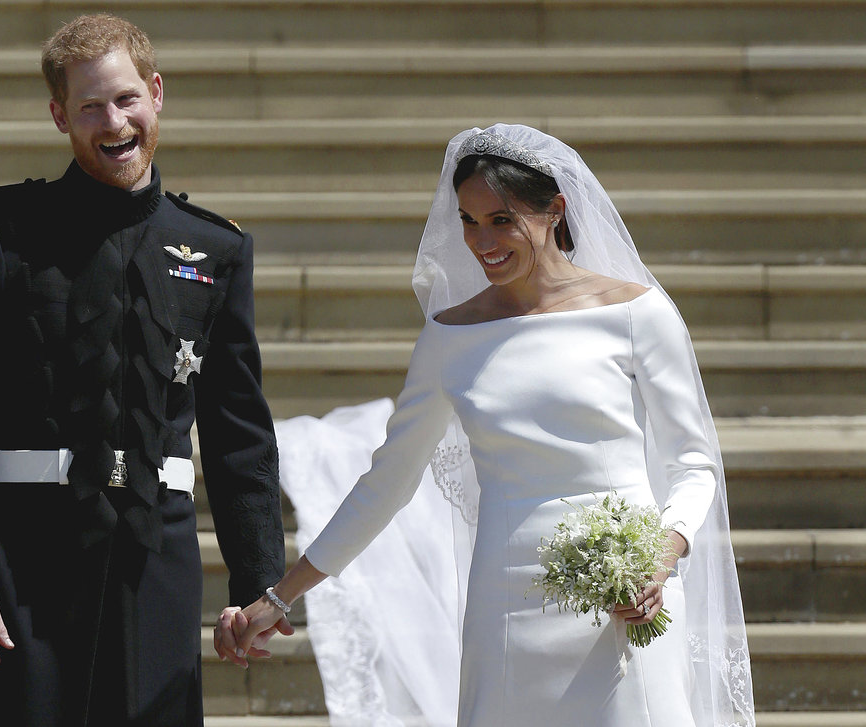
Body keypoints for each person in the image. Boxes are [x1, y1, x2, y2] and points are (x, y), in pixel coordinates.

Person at [218, 125, 754, 726]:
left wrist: (662, 553)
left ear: (555, 212)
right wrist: (280, 596)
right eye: (469, 221)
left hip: (627, 597)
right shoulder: (450, 336)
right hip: (507, 606)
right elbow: (386, 483)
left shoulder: (637, 313)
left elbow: (694, 463)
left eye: (501, 220)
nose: (481, 241)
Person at [0, 14, 287, 727]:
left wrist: (258, 582)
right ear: (60, 116)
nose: (112, 121)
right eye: (89, 106)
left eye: (125, 99)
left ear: (156, 94)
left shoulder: (215, 248)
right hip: (22, 562)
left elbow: (239, 437)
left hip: (156, 560)